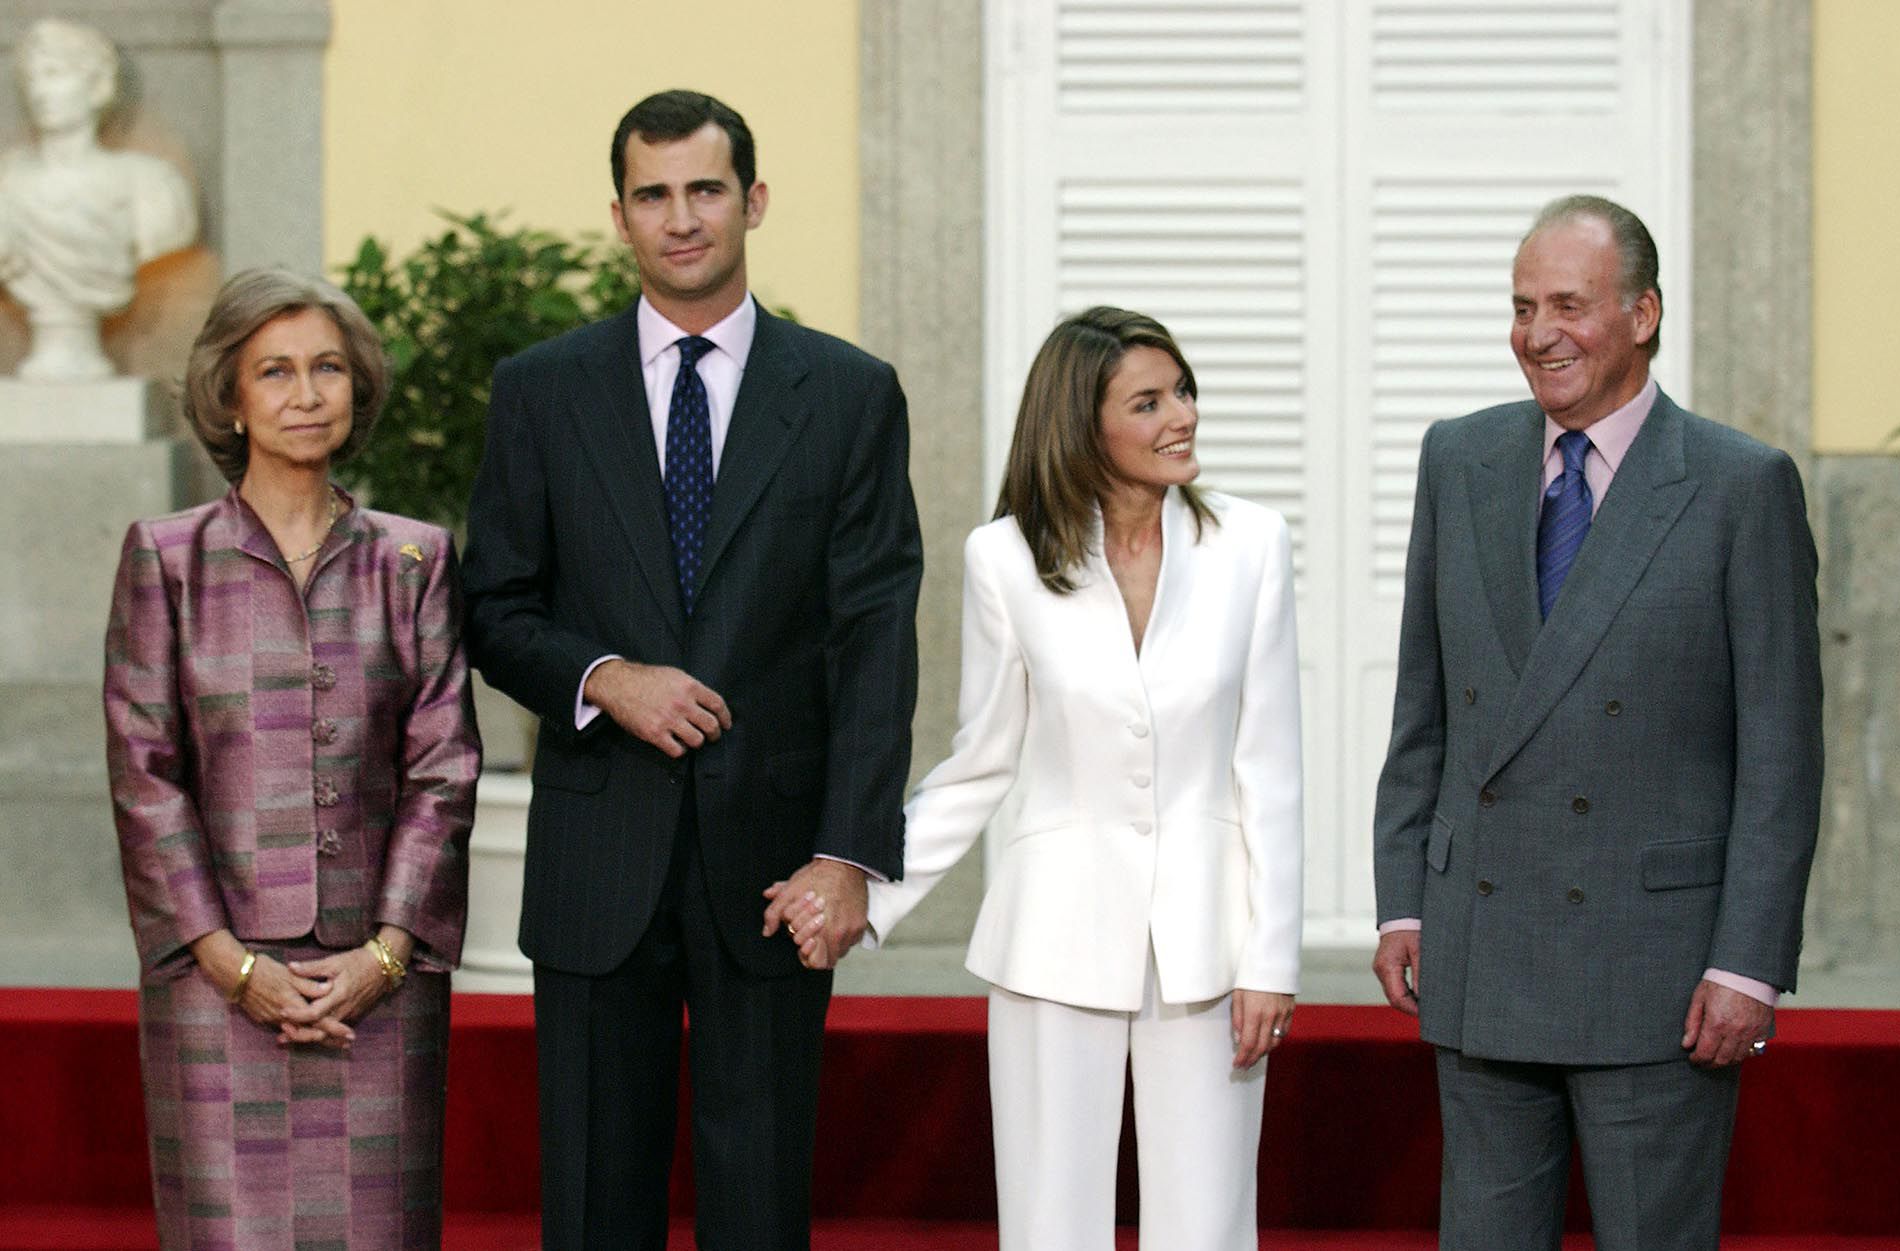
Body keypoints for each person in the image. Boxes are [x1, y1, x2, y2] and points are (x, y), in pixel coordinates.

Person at [461, 89, 921, 1251]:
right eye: (653, 194)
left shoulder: (851, 395)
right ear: (619, 215)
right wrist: (608, 674)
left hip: (773, 868)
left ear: (752, 201)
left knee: (761, 1202)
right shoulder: (541, 389)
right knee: (593, 1203)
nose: (682, 218)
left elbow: (875, 635)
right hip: (594, 855)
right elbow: (494, 607)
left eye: (705, 189)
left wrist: (849, 854)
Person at [779, 306, 1304, 1251]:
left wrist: (1272, 959)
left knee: (1209, 1224)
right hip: (1053, 936)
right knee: (1050, 1223)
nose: (1180, 415)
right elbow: (981, 760)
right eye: (1147, 402)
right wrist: (864, 882)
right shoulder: (1006, 559)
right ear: (1082, 425)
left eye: (1182, 390)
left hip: (1209, 942)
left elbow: (1269, 768)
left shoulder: (1253, 546)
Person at [1370, 195, 1823, 1251]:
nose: (1539, 333)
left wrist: (1747, 962)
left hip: (1655, 973)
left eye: (1568, 304)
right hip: (1481, 948)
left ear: (1644, 313)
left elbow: (1781, 754)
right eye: (1523, 306)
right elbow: (1424, 706)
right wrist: (1403, 901)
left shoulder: (1738, 485)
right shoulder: (1460, 459)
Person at [103, 267, 480, 1249]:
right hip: (214, 989)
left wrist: (389, 951)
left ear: (358, 389)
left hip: (380, 990)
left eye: (327, 369)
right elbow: (146, 778)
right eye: (274, 371)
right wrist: (230, 965)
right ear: (231, 396)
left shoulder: (417, 560)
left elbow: (444, 771)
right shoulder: (165, 557)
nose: (305, 394)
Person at [1, 17, 197, 380]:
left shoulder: (149, 183)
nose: (40, 91)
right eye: (33, 78)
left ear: (97, 87)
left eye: (56, 74)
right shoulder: (6, 182)